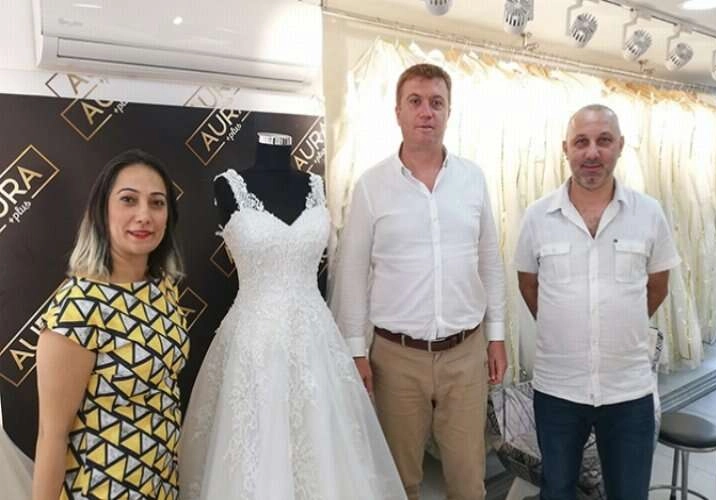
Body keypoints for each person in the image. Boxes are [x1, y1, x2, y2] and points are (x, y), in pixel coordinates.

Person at [178, 132, 406, 500]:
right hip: (254, 341)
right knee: (256, 445)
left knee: (323, 446)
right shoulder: (227, 184)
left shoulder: (316, 186)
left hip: (315, 340)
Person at [332, 63, 508, 500]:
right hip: (396, 359)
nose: (426, 111)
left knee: (468, 480)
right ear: (398, 112)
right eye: (415, 101)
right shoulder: (372, 186)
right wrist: (356, 350)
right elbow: (352, 271)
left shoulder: (472, 179)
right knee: (400, 481)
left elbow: (490, 259)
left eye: (436, 102)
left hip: (464, 354)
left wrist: (497, 336)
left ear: (449, 112)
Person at [515, 104, 681, 500]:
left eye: (603, 141)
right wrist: (567, 325)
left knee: (629, 493)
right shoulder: (538, 217)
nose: (592, 152)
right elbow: (529, 286)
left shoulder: (648, 213)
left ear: (620, 146)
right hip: (559, 389)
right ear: (566, 149)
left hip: (628, 390)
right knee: (557, 491)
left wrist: (620, 324)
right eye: (581, 142)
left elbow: (658, 286)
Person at [33, 150, 189, 499]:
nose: (144, 215)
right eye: (128, 200)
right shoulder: (78, 307)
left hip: (162, 485)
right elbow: (51, 435)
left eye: (157, 203)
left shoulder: (163, 288)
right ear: (101, 210)